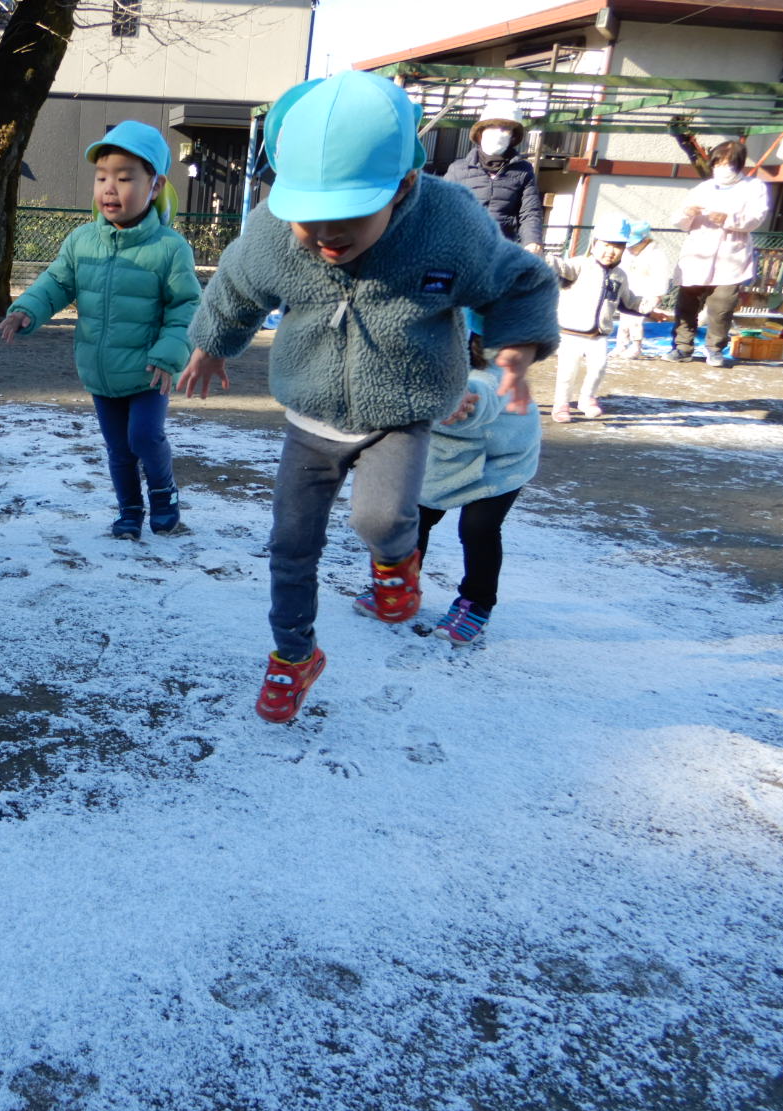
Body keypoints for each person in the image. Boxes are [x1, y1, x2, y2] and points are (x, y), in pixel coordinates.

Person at [177, 71, 560, 723]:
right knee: (290, 544)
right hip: (310, 414)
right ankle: (293, 656)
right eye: (309, 222)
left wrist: (516, 349)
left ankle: (395, 560)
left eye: (348, 220)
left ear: (403, 186)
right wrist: (211, 342)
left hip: (401, 411)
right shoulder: (276, 229)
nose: (326, 238)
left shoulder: (448, 224)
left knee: (379, 520)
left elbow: (520, 282)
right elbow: (237, 285)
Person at [0, 120, 200, 539]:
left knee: (144, 437)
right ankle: (129, 511)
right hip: (101, 370)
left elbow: (186, 306)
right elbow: (56, 283)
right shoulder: (81, 241)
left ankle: (164, 492)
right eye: (102, 177)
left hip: (150, 369)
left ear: (155, 185)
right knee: (119, 450)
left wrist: (169, 352)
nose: (110, 188)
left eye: (125, 178)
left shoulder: (169, 248)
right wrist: (27, 311)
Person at [366, 316, 540, 647]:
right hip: (444, 455)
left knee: (478, 528)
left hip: (500, 460)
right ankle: (398, 587)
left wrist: (462, 400)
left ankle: (476, 602)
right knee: (411, 517)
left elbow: (487, 393)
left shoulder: (493, 366)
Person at [668, 140, 771, 367]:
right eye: (718, 163)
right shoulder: (704, 188)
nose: (722, 168)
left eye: (727, 164)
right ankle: (682, 347)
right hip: (697, 254)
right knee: (687, 304)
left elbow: (756, 218)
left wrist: (729, 219)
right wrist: (687, 212)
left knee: (721, 306)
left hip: (730, 256)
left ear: (738, 165)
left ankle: (714, 348)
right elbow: (679, 221)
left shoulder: (754, 187)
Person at [547, 215, 651, 421]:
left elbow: (627, 301)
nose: (610, 251)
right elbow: (560, 268)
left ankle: (587, 398)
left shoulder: (620, 275)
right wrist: (543, 256)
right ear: (594, 245)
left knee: (599, 367)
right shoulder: (579, 265)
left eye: (617, 246)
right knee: (568, 371)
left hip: (599, 333)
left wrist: (650, 307)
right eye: (605, 245)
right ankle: (561, 404)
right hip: (570, 333)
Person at [444, 100, 545, 257]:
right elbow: (441, 209)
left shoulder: (523, 171)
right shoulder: (458, 169)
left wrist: (532, 242)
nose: (498, 133)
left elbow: (529, 212)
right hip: (461, 251)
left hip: (502, 251)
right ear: (480, 133)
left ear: (513, 137)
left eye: (505, 129)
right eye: (492, 127)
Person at [612, 222, 673, 360]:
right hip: (629, 292)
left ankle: (636, 347)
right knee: (624, 320)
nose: (630, 248)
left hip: (647, 294)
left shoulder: (656, 255)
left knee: (636, 321)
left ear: (645, 240)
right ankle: (621, 345)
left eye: (634, 245)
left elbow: (661, 277)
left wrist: (657, 296)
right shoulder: (628, 254)